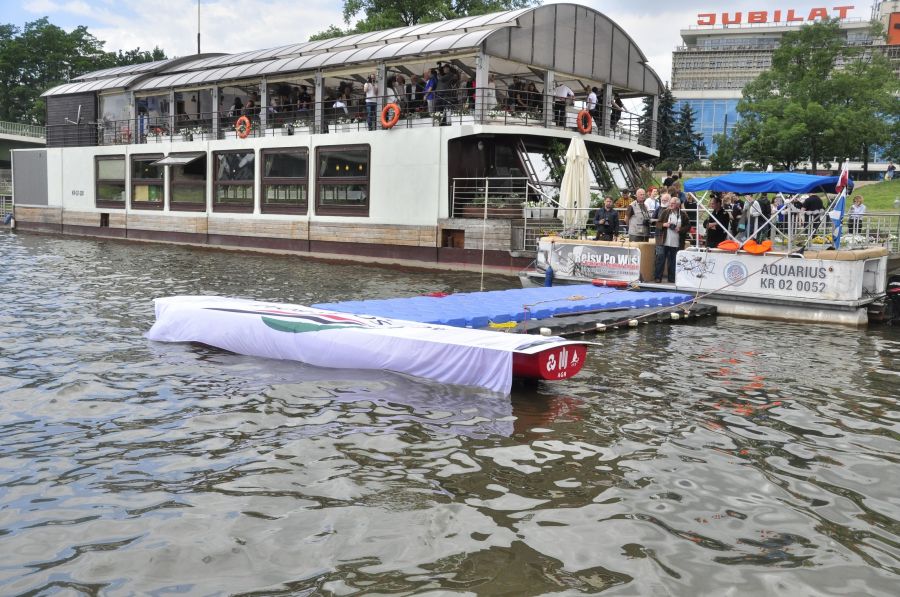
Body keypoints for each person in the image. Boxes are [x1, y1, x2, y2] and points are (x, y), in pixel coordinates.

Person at [654, 196, 689, 283]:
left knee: (673, 261)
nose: (670, 205)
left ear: (678, 205)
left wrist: (679, 229)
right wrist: (664, 225)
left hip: (676, 242)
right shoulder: (665, 212)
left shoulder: (683, 215)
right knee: (660, 259)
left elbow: (688, 226)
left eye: (673, 203)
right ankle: (658, 277)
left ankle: (672, 278)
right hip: (663, 241)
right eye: (670, 203)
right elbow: (657, 224)